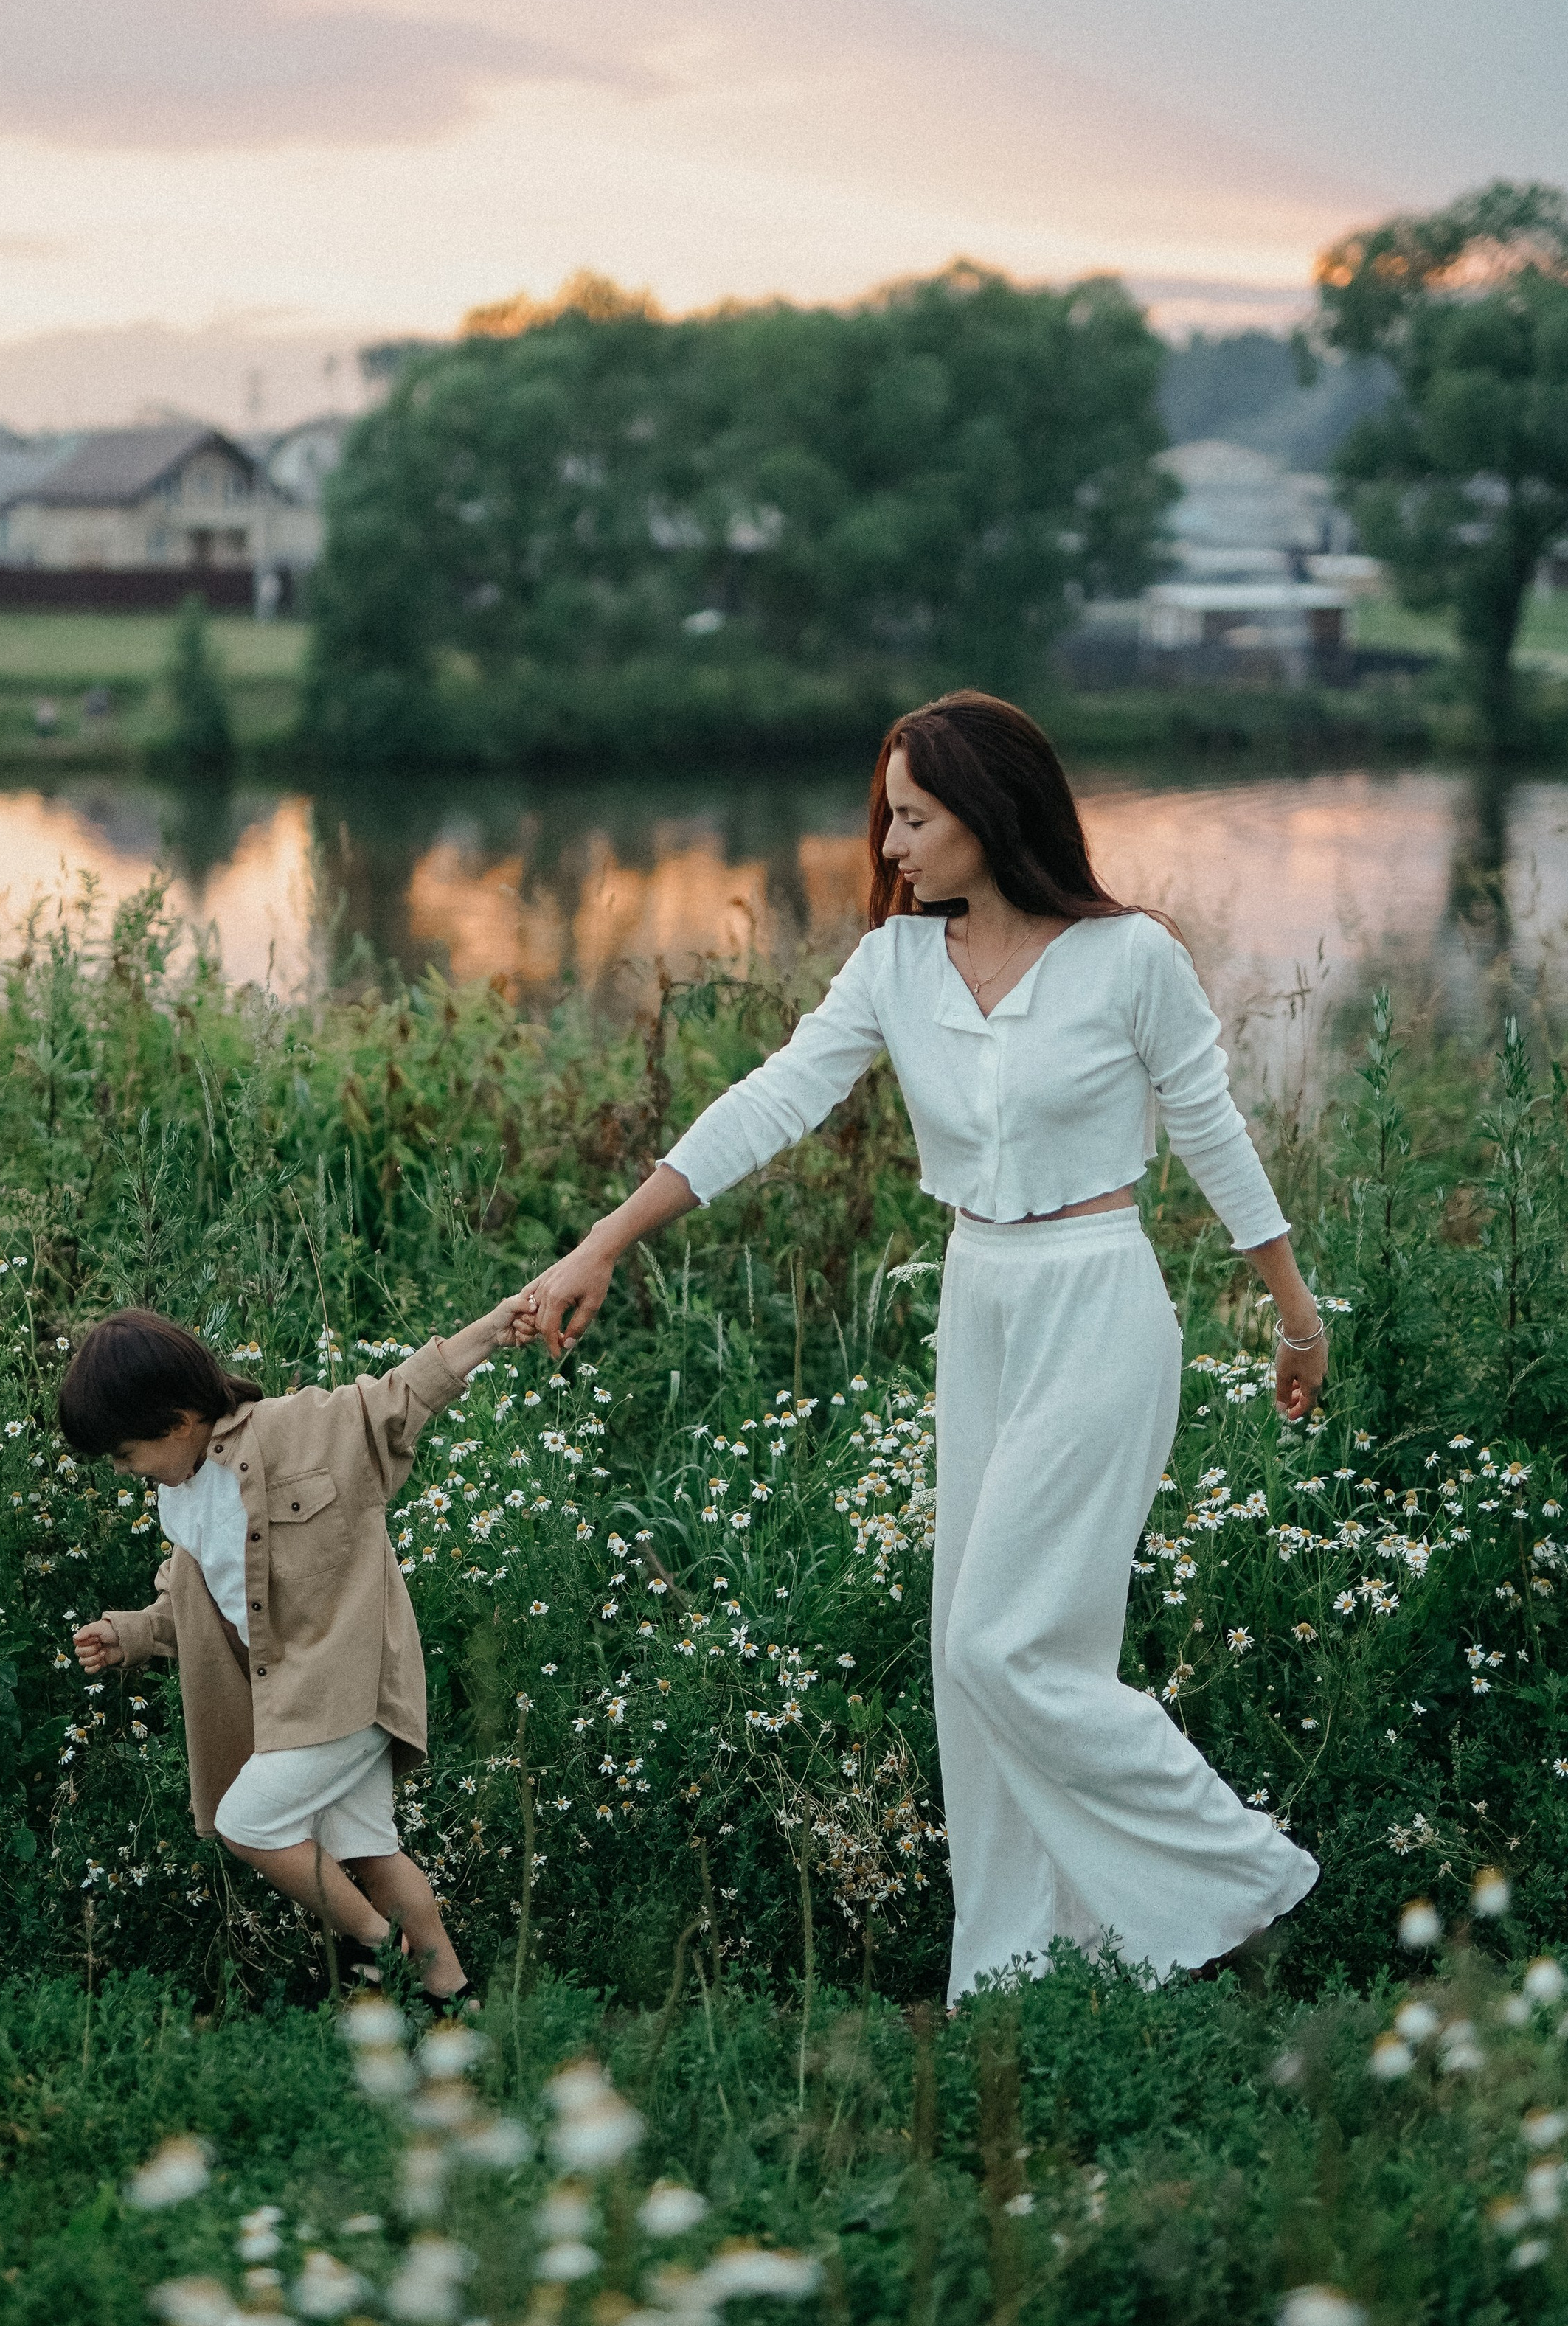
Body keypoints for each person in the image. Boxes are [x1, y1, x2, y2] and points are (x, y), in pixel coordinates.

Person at [527, 690, 1325, 2004]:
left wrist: (1297, 1319)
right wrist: (606, 1239)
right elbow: (771, 1101)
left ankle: (1239, 1876)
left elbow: (1215, 1134)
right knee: (976, 1656)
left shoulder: (1131, 959)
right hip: (982, 1300)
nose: (890, 845)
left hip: (1098, 1297)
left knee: (1001, 1648)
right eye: (887, 817)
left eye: (914, 817)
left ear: (992, 815)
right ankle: (1023, 1966)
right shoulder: (893, 968)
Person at [63, 1293, 536, 2003]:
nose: (127, 1470)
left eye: (129, 1453)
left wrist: (496, 1328)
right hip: (290, 1701)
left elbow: (402, 1394)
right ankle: (451, 1999)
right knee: (370, 1854)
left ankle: (380, 1952)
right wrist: (129, 1633)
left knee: (245, 1823)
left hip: (349, 1684)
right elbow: (190, 1604)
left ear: (178, 1420)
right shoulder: (178, 1501)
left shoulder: (303, 1431)